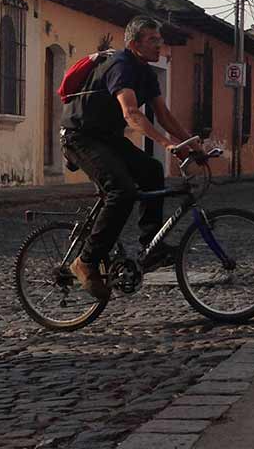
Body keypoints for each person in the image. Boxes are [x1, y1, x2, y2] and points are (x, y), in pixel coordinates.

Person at [60, 15, 199, 299]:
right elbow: (131, 113)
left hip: (107, 138)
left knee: (151, 170)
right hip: (80, 136)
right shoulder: (120, 66)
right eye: (152, 40)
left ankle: (152, 245)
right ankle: (85, 261)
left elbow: (163, 115)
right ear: (135, 44)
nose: (159, 45)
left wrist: (189, 143)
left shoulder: (146, 73)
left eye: (159, 39)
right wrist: (165, 142)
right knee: (121, 190)